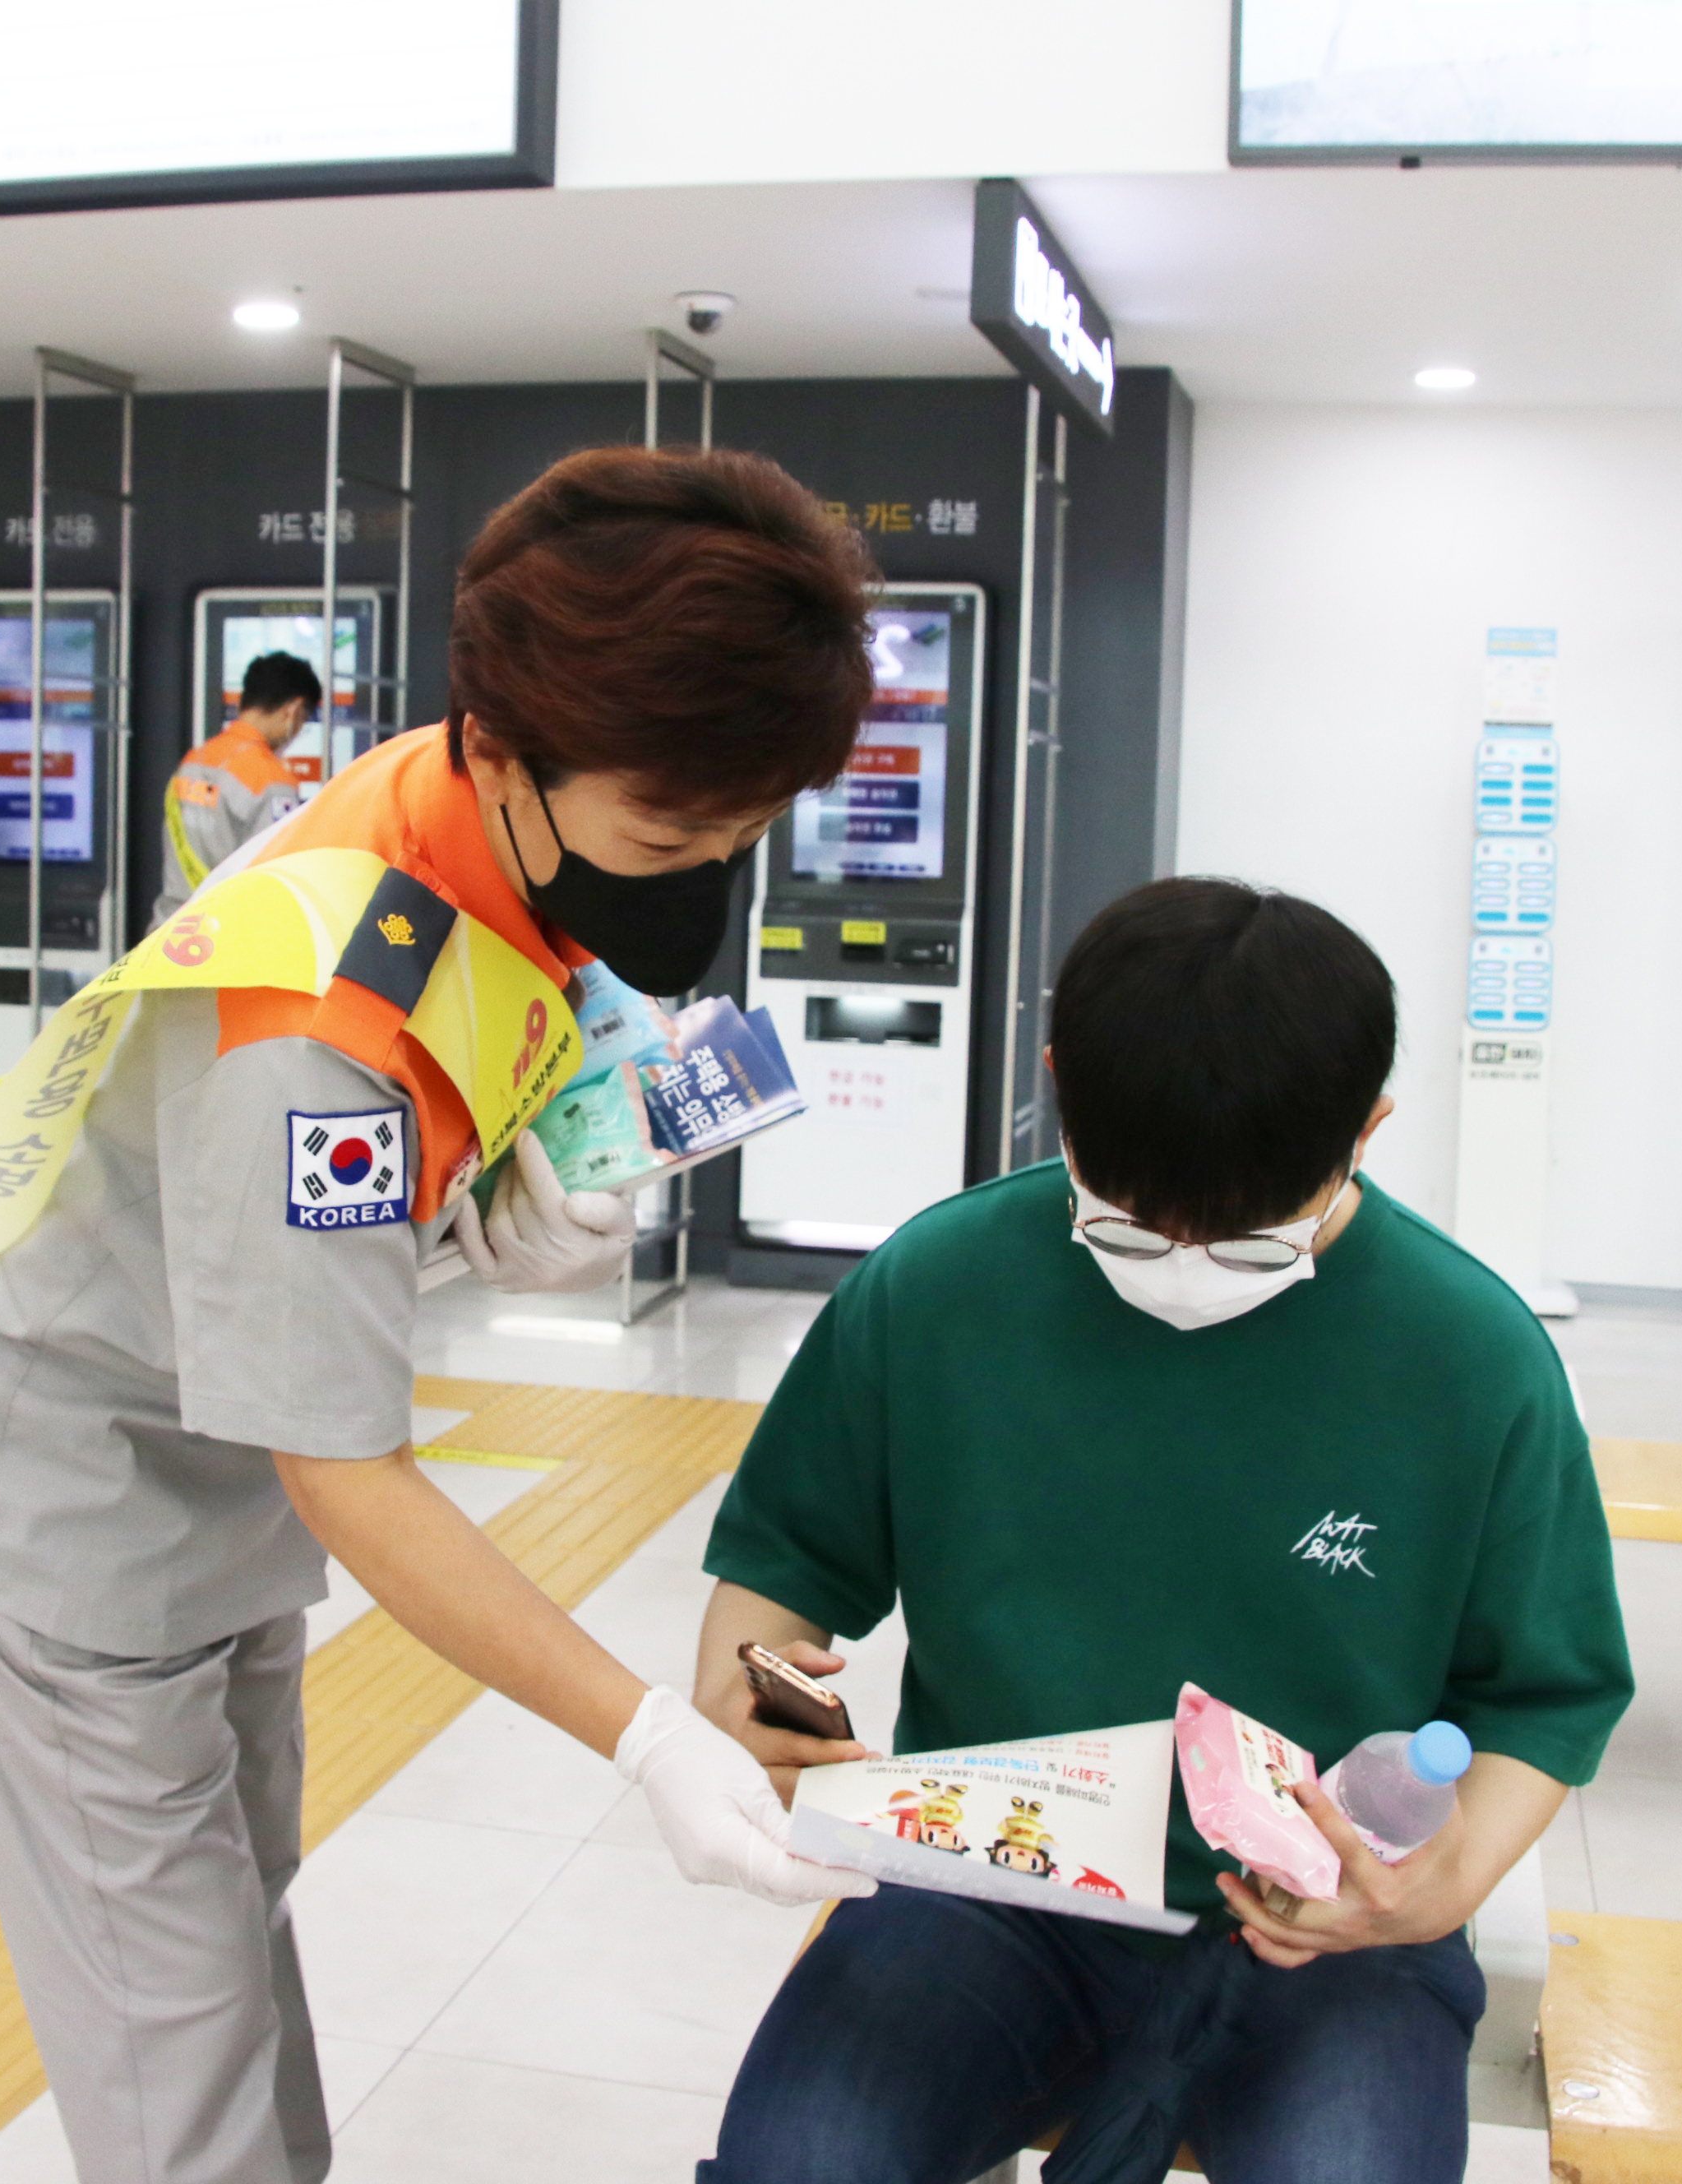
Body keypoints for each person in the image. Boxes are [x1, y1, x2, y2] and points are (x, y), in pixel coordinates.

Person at [0, 447, 882, 2184]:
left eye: (740, 834)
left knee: (228, 1950)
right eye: (673, 835)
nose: (703, 873)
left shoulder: (446, 794)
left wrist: (496, 1189)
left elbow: (461, 1074)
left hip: (215, 1490)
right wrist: (642, 1730)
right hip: (84, 1516)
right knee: (171, 2049)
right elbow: (346, 1465)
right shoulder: (310, 1040)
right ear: (505, 752)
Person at [691, 878, 1633, 2184]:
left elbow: (1547, 1692)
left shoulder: (1471, 1357)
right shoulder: (939, 1287)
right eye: (1126, 1229)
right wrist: (737, 1702)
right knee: (798, 2166)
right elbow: (784, 1562)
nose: (1183, 1269)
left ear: (1368, 1129)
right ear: (1059, 1088)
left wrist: (1443, 1886)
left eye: (1248, 1249)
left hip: (1326, 1923)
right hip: (991, 1884)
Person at [158, 650, 317, 923]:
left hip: (169, 928)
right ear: (293, 710)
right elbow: (276, 878)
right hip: (224, 935)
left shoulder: (194, 761)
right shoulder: (272, 781)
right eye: (303, 720)